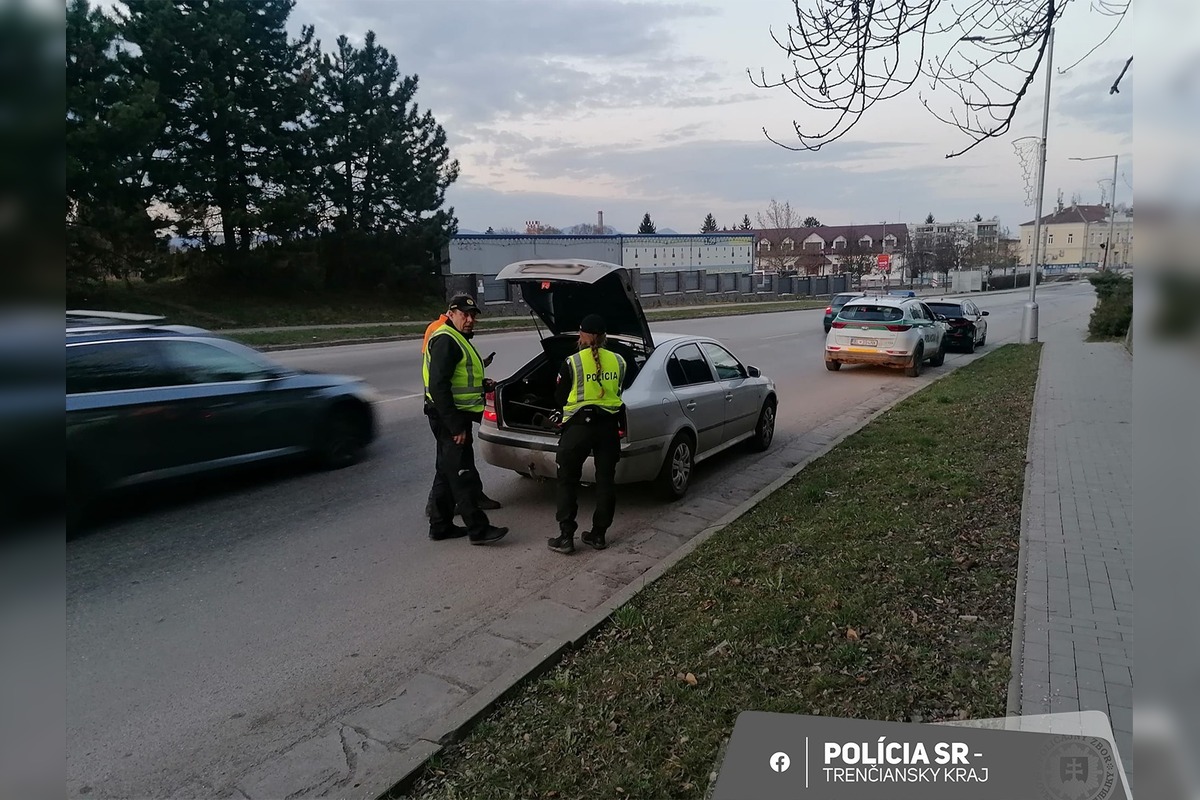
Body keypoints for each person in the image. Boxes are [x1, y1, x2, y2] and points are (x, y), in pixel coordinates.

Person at [422, 295, 508, 544]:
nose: (470, 320)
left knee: (445, 470)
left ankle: (440, 526)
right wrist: (455, 426)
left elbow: (459, 377)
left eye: (472, 315)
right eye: (464, 314)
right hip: (449, 417)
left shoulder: (457, 338)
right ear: (451, 314)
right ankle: (479, 531)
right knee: (462, 474)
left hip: (453, 414)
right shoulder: (446, 340)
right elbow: (438, 386)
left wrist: (482, 385)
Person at [547, 314, 627, 555]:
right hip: (608, 428)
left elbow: (560, 397)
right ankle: (598, 535)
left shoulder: (572, 362)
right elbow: (620, 390)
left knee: (567, 480)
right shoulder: (619, 361)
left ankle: (566, 537)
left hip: (578, 428)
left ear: (581, 335)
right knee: (605, 481)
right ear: (604, 337)